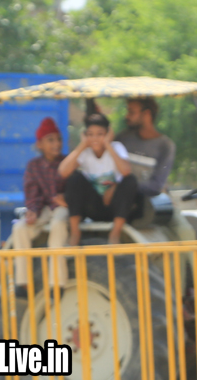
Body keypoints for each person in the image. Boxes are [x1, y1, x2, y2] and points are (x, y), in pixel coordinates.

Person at [59, 112, 140, 245]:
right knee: (74, 178)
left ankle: (115, 233)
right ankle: (75, 233)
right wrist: (82, 145)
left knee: (130, 181)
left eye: (100, 134)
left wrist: (108, 145)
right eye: (90, 134)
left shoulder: (116, 147)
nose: (94, 138)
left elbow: (126, 171)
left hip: (114, 207)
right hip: (93, 206)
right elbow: (63, 172)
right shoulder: (85, 152)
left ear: (108, 134)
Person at [12, 117, 68, 296]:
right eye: (50, 140)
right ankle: (23, 284)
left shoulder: (67, 162)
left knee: (58, 225)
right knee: (20, 228)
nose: (56, 144)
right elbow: (33, 194)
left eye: (58, 139)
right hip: (44, 209)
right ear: (39, 144)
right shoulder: (33, 166)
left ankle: (56, 284)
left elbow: (76, 188)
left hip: (63, 207)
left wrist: (67, 199)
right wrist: (33, 212)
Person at [115, 97, 176, 196]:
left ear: (146, 114)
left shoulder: (165, 146)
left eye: (131, 112)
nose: (127, 116)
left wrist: (126, 186)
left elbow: (156, 186)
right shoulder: (122, 139)